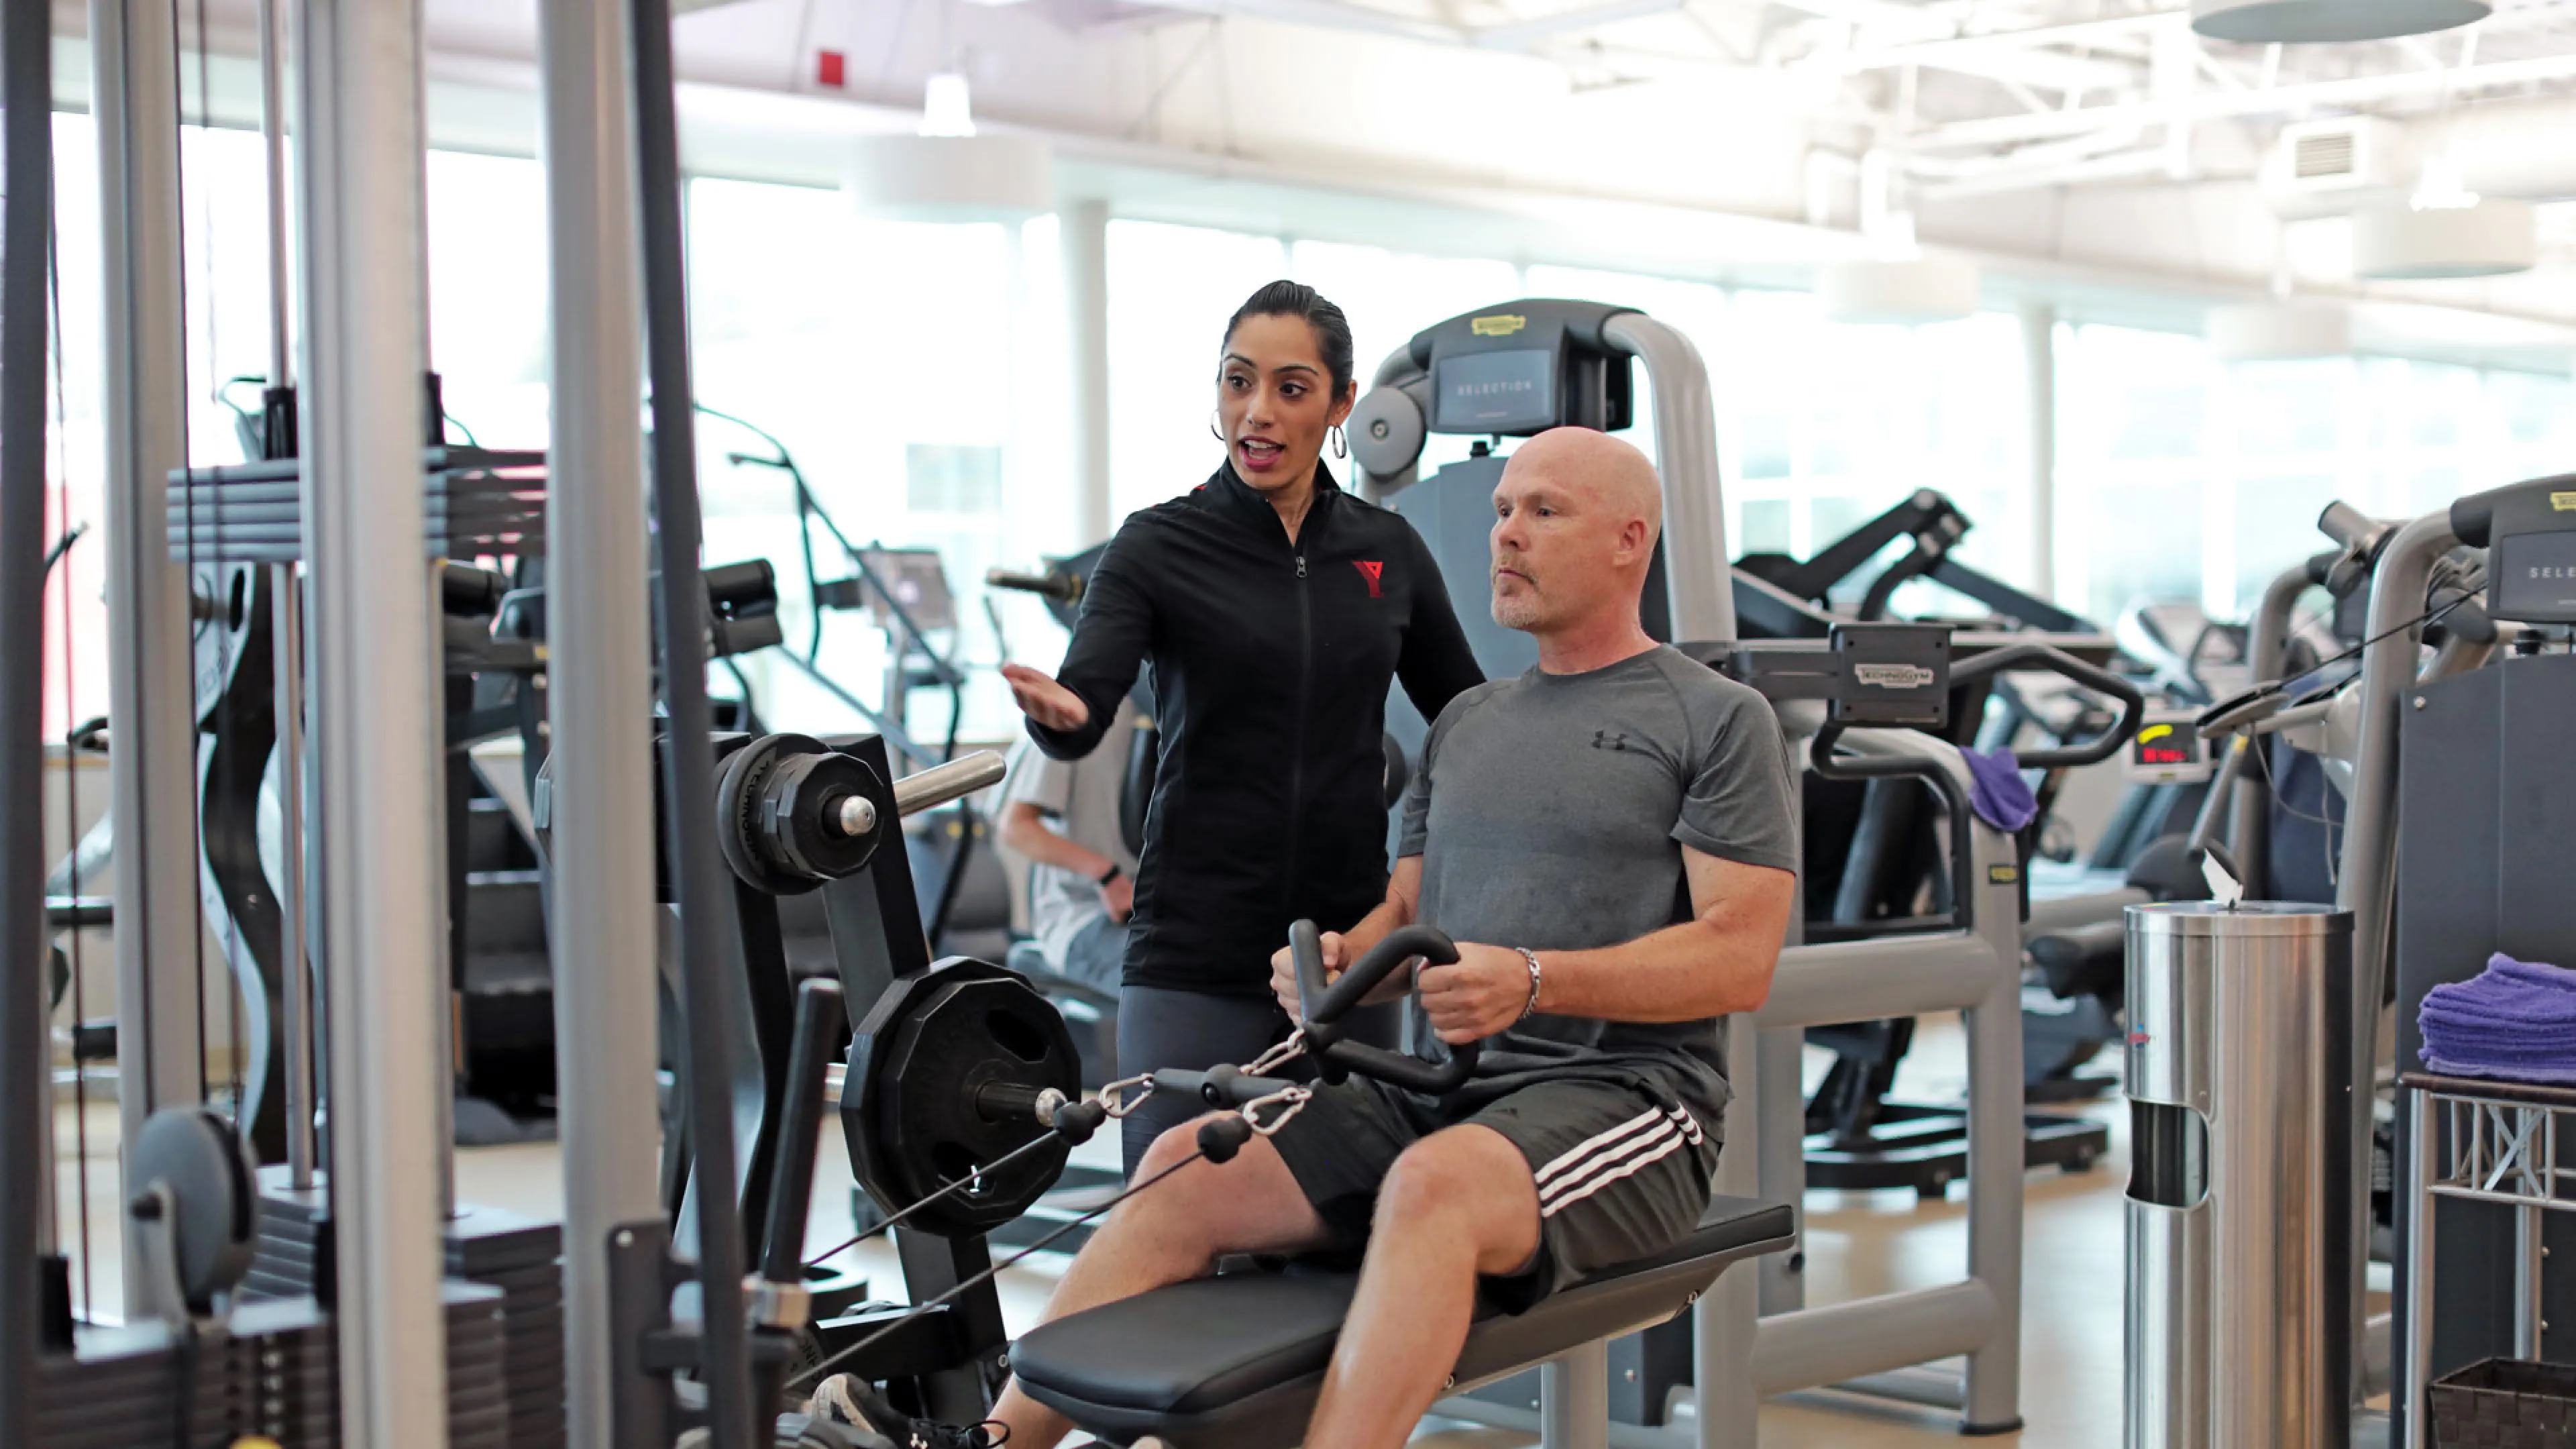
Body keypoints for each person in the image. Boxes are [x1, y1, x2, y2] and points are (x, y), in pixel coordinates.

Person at [814, 427, 1802, 1449]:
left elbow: (1741, 957)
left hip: (1630, 1103)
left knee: (1435, 1185)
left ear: (1629, 541)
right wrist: (1340, 964)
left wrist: (1534, 980)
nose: (1506, 534)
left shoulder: (1714, 718)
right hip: (1443, 1093)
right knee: (1188, 1165)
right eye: (1504, 510)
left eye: (1543, 512)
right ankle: (990, 1445)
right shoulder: (1470, 723)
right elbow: (1406, 916)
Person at [998, 280, 1485, 1174]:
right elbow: (1085, 698)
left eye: (1291, 389)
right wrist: (1064, 719)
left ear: (1340, 404)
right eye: (1238, 381)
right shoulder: (1157, 545)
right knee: (1170, 1208)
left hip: (1344, 956)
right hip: (1195, 948)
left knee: (1341, 1216)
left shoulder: (1388, 551)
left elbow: (1467, 716)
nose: (1257, 411)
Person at [994, 691, 1144, 996]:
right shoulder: (1077, 712)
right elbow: (1016, 827)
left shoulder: (1184, 716)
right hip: (1082, 914)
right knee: (1165, 980)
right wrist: (1105, 874)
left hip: (1156, 914)